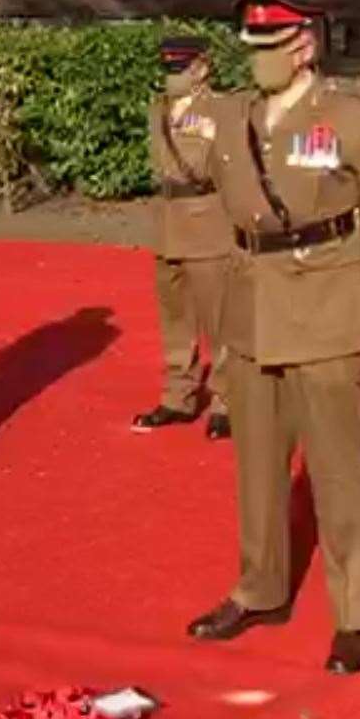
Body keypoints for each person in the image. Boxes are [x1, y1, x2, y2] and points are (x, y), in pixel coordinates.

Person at [187, 0, 360, 675]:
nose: (257, 61)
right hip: (252, 305)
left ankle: (356, 614)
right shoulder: (232, 119)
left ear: (304, 47)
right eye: (250, 49)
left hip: (326, 303)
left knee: (340, 470)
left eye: (271, 48)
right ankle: (261, 588)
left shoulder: (349, 116)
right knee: (257, 463)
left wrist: (352, 280)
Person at [132, 36, 232, 441]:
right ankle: (179, 395)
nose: (171, 76)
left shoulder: (222, 110)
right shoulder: (157, 110)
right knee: (175, 318)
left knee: (220, 319)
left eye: (180, 68)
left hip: (209, 222)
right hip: (169, 223)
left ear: (202, 69)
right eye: (168, 68)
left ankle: (228, 401)